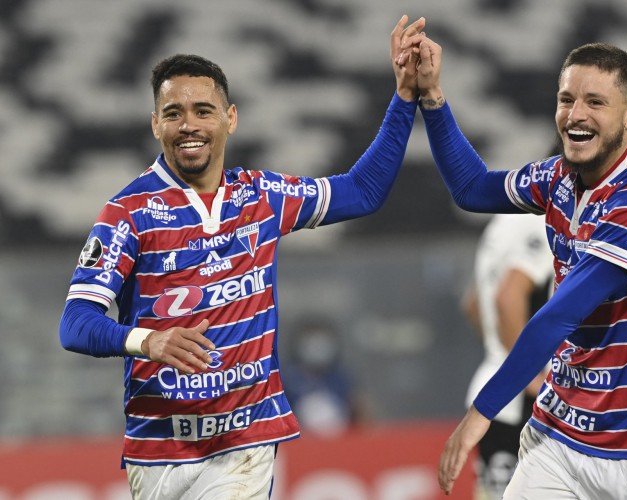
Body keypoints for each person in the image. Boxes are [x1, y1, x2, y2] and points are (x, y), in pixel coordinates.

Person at [59, 15, 424, 499]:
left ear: (230, 118)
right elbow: (75, 323)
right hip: (157, 449)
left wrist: (403, 97)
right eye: (173, 113)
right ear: (155, 124)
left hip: (244, 443)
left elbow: (363, 190)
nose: (188, 124)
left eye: (203, 110)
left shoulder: (262, 195)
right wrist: (147, 341)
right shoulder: (128, 213)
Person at [398, 35, 627, 499]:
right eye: (567, 99)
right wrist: (433, 98)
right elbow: (471, 187)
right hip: (559, 434)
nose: (575, 114)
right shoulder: (557, 179)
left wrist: (481, 412)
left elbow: (561, 313)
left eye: (595, 102)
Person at [461, 213, 553, 499]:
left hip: (490, 389)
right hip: (522, 406)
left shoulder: (499, 225)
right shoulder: (542, 222)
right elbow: (508, 297)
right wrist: (530, 378)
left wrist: (498, 352)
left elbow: (474, 305)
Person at [282, 315, 367, 436]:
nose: (316, 347)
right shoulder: (288, 378)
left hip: (340, 441)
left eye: (321, 341)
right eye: (311, 341)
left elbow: (359, 409)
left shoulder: (341, 377)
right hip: (298, 442)